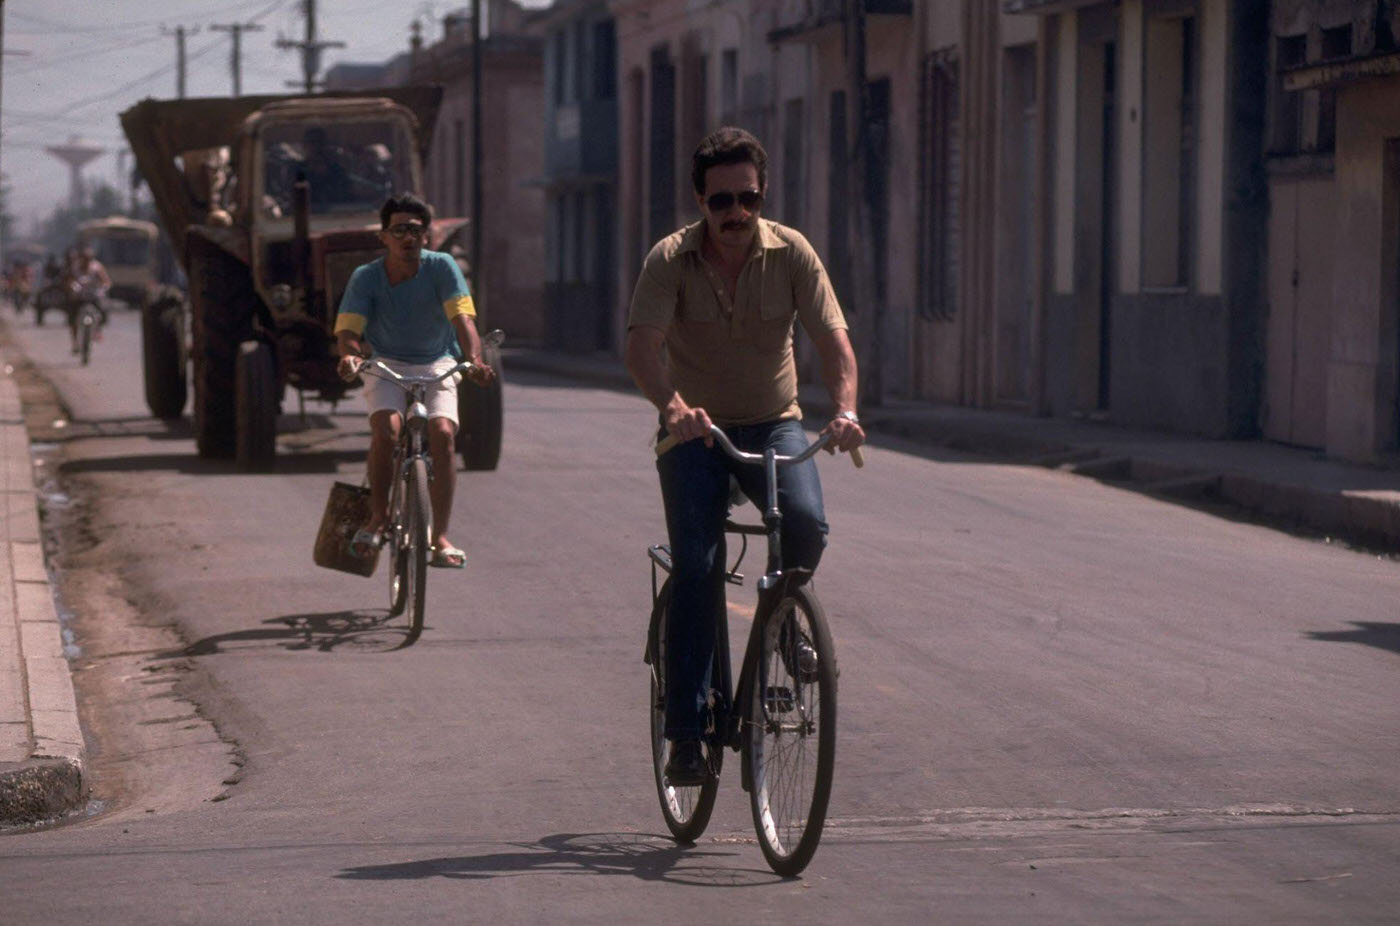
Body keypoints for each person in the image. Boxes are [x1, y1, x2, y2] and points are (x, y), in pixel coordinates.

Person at [624, 126, 865, 785]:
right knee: (698, 567)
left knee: (808, 524)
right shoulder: (670, 260)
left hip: (772, 426)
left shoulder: (792, 254)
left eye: (748, 198)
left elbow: (835, 344)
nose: (736, 214)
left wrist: (844, 410)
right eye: (721, 200)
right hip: (694, 432)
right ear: (700, 200)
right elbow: (643, 347)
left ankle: (784, 623)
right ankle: (685, 734)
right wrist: (672, 407)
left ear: (762, 196)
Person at [334, 193, 494, 569]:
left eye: (416, 231)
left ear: (427, 237)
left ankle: (438, 536)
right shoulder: (366, 277)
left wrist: (474, 361)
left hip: (437, 363)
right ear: (384, 237)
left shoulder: (442, 267)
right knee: (387, 431)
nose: (408, 238)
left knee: (442, 433)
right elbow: (349, 331)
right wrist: (351, 356)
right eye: (399, 230)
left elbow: (463, 321)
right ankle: (377, 519)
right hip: (387, 364)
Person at [66, 247, 110, 353]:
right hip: (80, 297)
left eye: (88, 258)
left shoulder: (97, 267)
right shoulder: (75, 267)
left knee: (103, 311)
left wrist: (103, 288)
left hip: (94, 297)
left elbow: (106, 281)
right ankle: (75, 342)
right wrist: (72, 286)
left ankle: (97, 330)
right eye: (84, 258)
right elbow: (69, 280)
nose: (86, 260)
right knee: (72, 316)